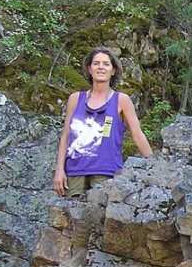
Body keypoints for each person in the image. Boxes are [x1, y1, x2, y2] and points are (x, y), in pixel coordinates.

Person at [53, 46, 152, 198]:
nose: (101, 67)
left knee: (100, 218)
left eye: (106, 64)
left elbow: (138, 136)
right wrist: (60, 170)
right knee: (73, 218)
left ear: (113, 70)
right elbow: (66, 136)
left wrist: (154, 166)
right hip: (74, 172)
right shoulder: (75, 99)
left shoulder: (121, 100)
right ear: (89, 69)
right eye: (96, 63)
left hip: (106, 171)